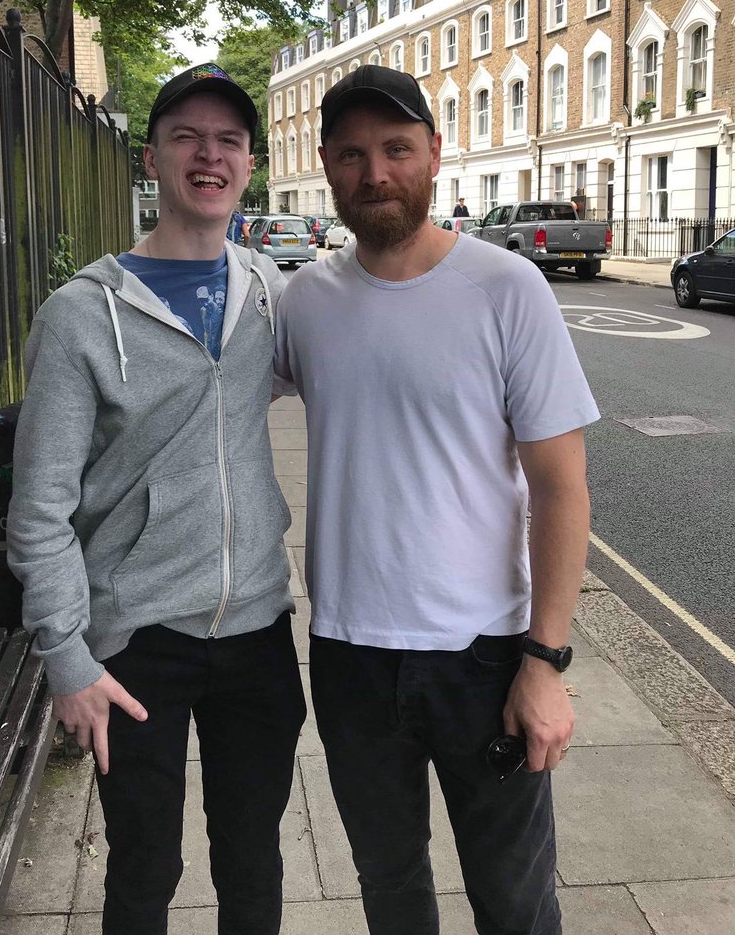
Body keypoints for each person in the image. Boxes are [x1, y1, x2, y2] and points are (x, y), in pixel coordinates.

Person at [273, 64, 598, 935]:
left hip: (486, 655)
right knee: (391, 892)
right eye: (351, 154)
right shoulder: (304, 300)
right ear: (328, 165)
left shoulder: (506, 289)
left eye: (396, 149)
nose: (375, 173)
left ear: (434, 156)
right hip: (349, 655)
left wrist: (546, 664)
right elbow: (206, 403)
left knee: (516, 901)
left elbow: (561, 488)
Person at [7, 62, 305, 935]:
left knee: (253, 857)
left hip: (257, 631)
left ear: (249, 164)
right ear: (152, 159)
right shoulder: (81, 315)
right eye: (188, 137)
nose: (209, 156)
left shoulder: (269, 294)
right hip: (135, 645)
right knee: (145, 865)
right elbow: (40, 512)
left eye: (229, 141)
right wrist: (69, 660)